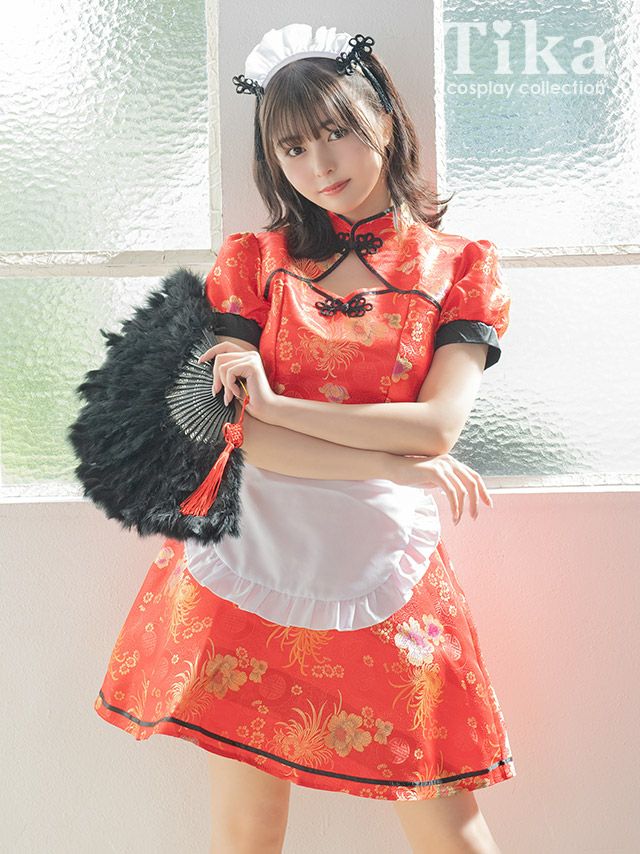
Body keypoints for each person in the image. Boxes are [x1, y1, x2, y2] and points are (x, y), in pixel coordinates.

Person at [93, 23, 515, 854]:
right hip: (250, 553)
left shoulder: (460, 266)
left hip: (386, 554)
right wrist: (393, 462)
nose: (320, 164)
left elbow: (438, 427)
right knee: (248, 828)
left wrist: (279, 406)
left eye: (336, 132)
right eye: (292, 148)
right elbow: (239, 441)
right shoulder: (253, 263)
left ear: (383, 119)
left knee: (448, 818)